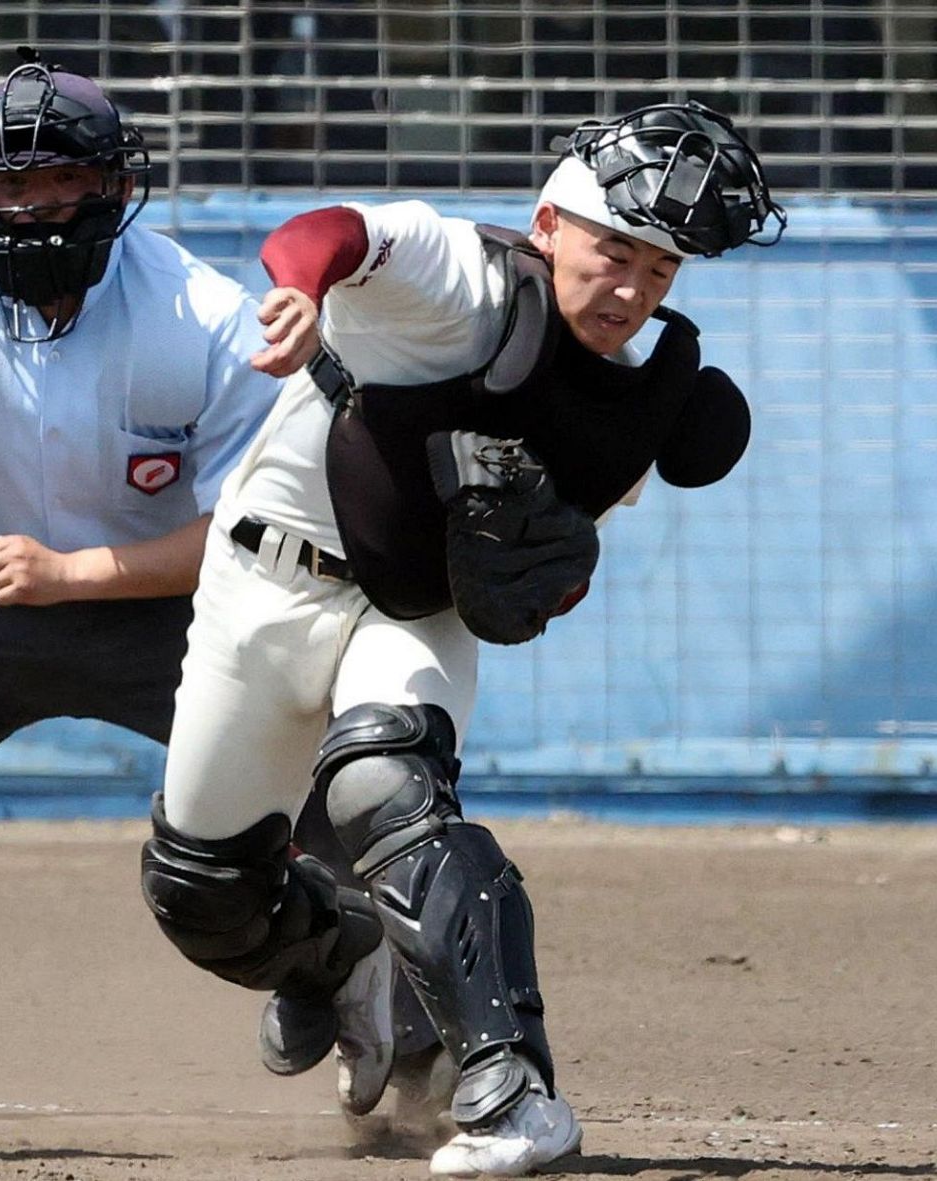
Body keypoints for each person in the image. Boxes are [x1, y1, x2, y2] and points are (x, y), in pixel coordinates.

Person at [140, 100, 786, 1176]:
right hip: (261, 580)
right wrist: (299, 290)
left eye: (659, 271)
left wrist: (543, 578)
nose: (629, 289)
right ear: (547, 224)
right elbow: (328, 232)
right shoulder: (458, 274)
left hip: (408, 606)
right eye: (612, 250)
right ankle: (342, 963)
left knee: (383, 779)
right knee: (198, 894)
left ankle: (512, 1092)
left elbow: (539, 573)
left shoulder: (624, 402)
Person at [0, 49, 280, 932]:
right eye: (1, 185)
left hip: (177, 613)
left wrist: (73, 575)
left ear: (114, 187)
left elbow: (247, 528)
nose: (25, 207)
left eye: (58, 178)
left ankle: (336, 976)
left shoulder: (203, 314)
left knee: (342, 779)